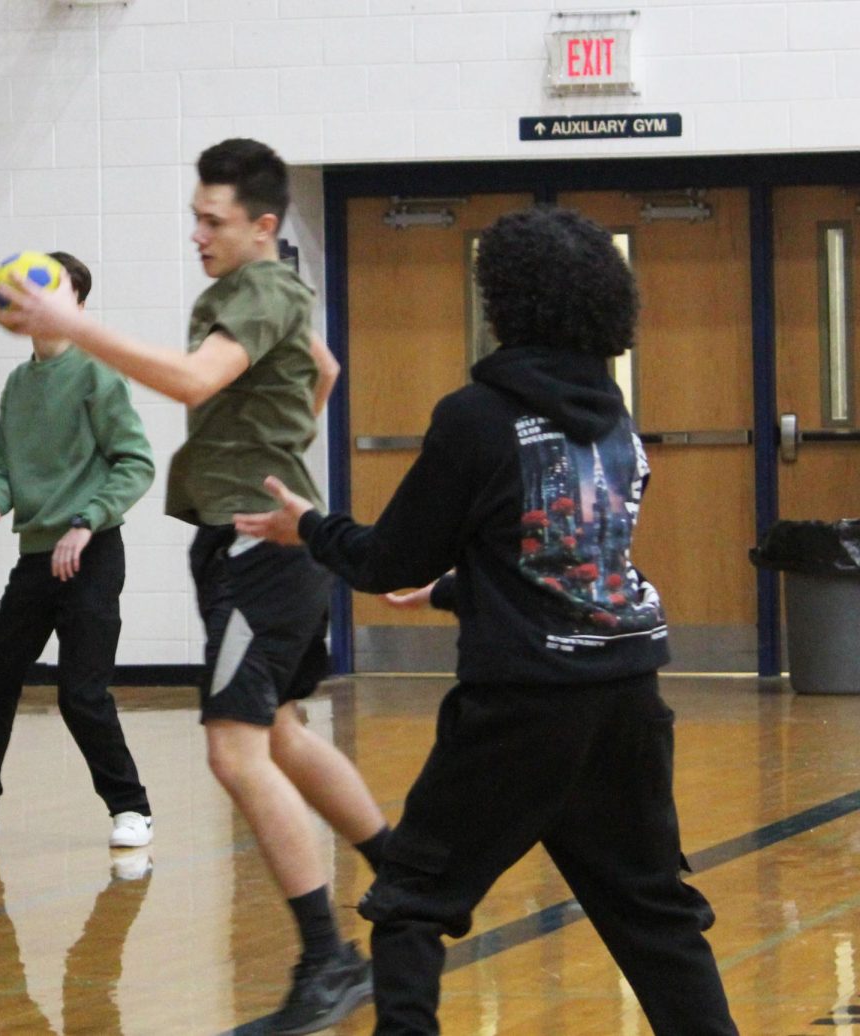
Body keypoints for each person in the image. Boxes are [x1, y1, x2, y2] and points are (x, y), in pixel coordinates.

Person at [234, 207, 739, 1035]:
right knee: (654, 917)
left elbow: (386, 557)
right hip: (626, 696)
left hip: (523, 711)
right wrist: (446, 594)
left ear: (504, 302)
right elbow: (569, 561)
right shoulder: (609, 415)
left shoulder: (476, 415)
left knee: (409, 901)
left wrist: (311, 528)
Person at [0, 139, 388, 1035]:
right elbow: (322, 372)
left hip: (260, 553)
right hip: (255, 539)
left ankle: (328, 961)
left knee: (234, 750)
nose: (197, 235)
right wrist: (276, 450)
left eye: (213, 221)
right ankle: (400, 871)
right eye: (195, 217)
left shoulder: (254, 290)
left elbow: (191, 378)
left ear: (263, 226)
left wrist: (70, 321)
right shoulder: (274, 291)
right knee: (280, 734)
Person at [0, 250, 157, 851]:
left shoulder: (98, 374)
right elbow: (6, 469)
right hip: (37, 558)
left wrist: (85, 521)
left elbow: (136, 464)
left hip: (90, 555)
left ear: (77, 308)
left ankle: (132, 808)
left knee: (81, 694)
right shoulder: (18, 384)